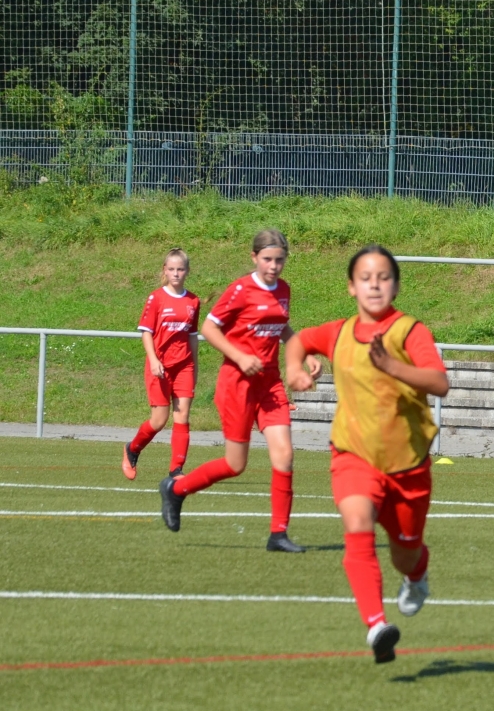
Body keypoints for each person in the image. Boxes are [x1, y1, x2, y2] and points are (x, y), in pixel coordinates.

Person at [285, 244, 449, 665]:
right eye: (365, 278)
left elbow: (439, 383)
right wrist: (294, 369)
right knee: (357, 523)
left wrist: (393, 367)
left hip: (408, 466)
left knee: (405, 553)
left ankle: (416, 575)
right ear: (351, 287)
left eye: (383, 277)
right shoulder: (338, 332)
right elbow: (299, 341)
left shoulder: (410, 332)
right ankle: (377, 626)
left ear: (396, 286)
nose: (374, 285)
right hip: (353, 454)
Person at [159, 229, 318, 552]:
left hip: (269, 384)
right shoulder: (241, 289)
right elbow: (208, 328)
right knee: (235, 464)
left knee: (285, 455)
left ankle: (278, 535)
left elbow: (281, 326)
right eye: (267, 259)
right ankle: (176, 490)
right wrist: (240, 357)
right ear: (254, 257)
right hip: (237, 384)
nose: (274, 266)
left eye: (280, 260)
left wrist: (303, 351)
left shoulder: (283, 289)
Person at [123, 249, 200, 481]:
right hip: (160, 365)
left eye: (180, 269)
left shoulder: (193, 301)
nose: (176, 273)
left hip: (184, 365)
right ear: (164, 270)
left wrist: (194, 366)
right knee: (159, 420)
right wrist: (154, 360)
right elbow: (146, 332)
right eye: (172, 269)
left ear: (187, 271)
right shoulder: (156, 298)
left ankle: (176, 470)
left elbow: (192, 337)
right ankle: (132, 449)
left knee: (182, 416)